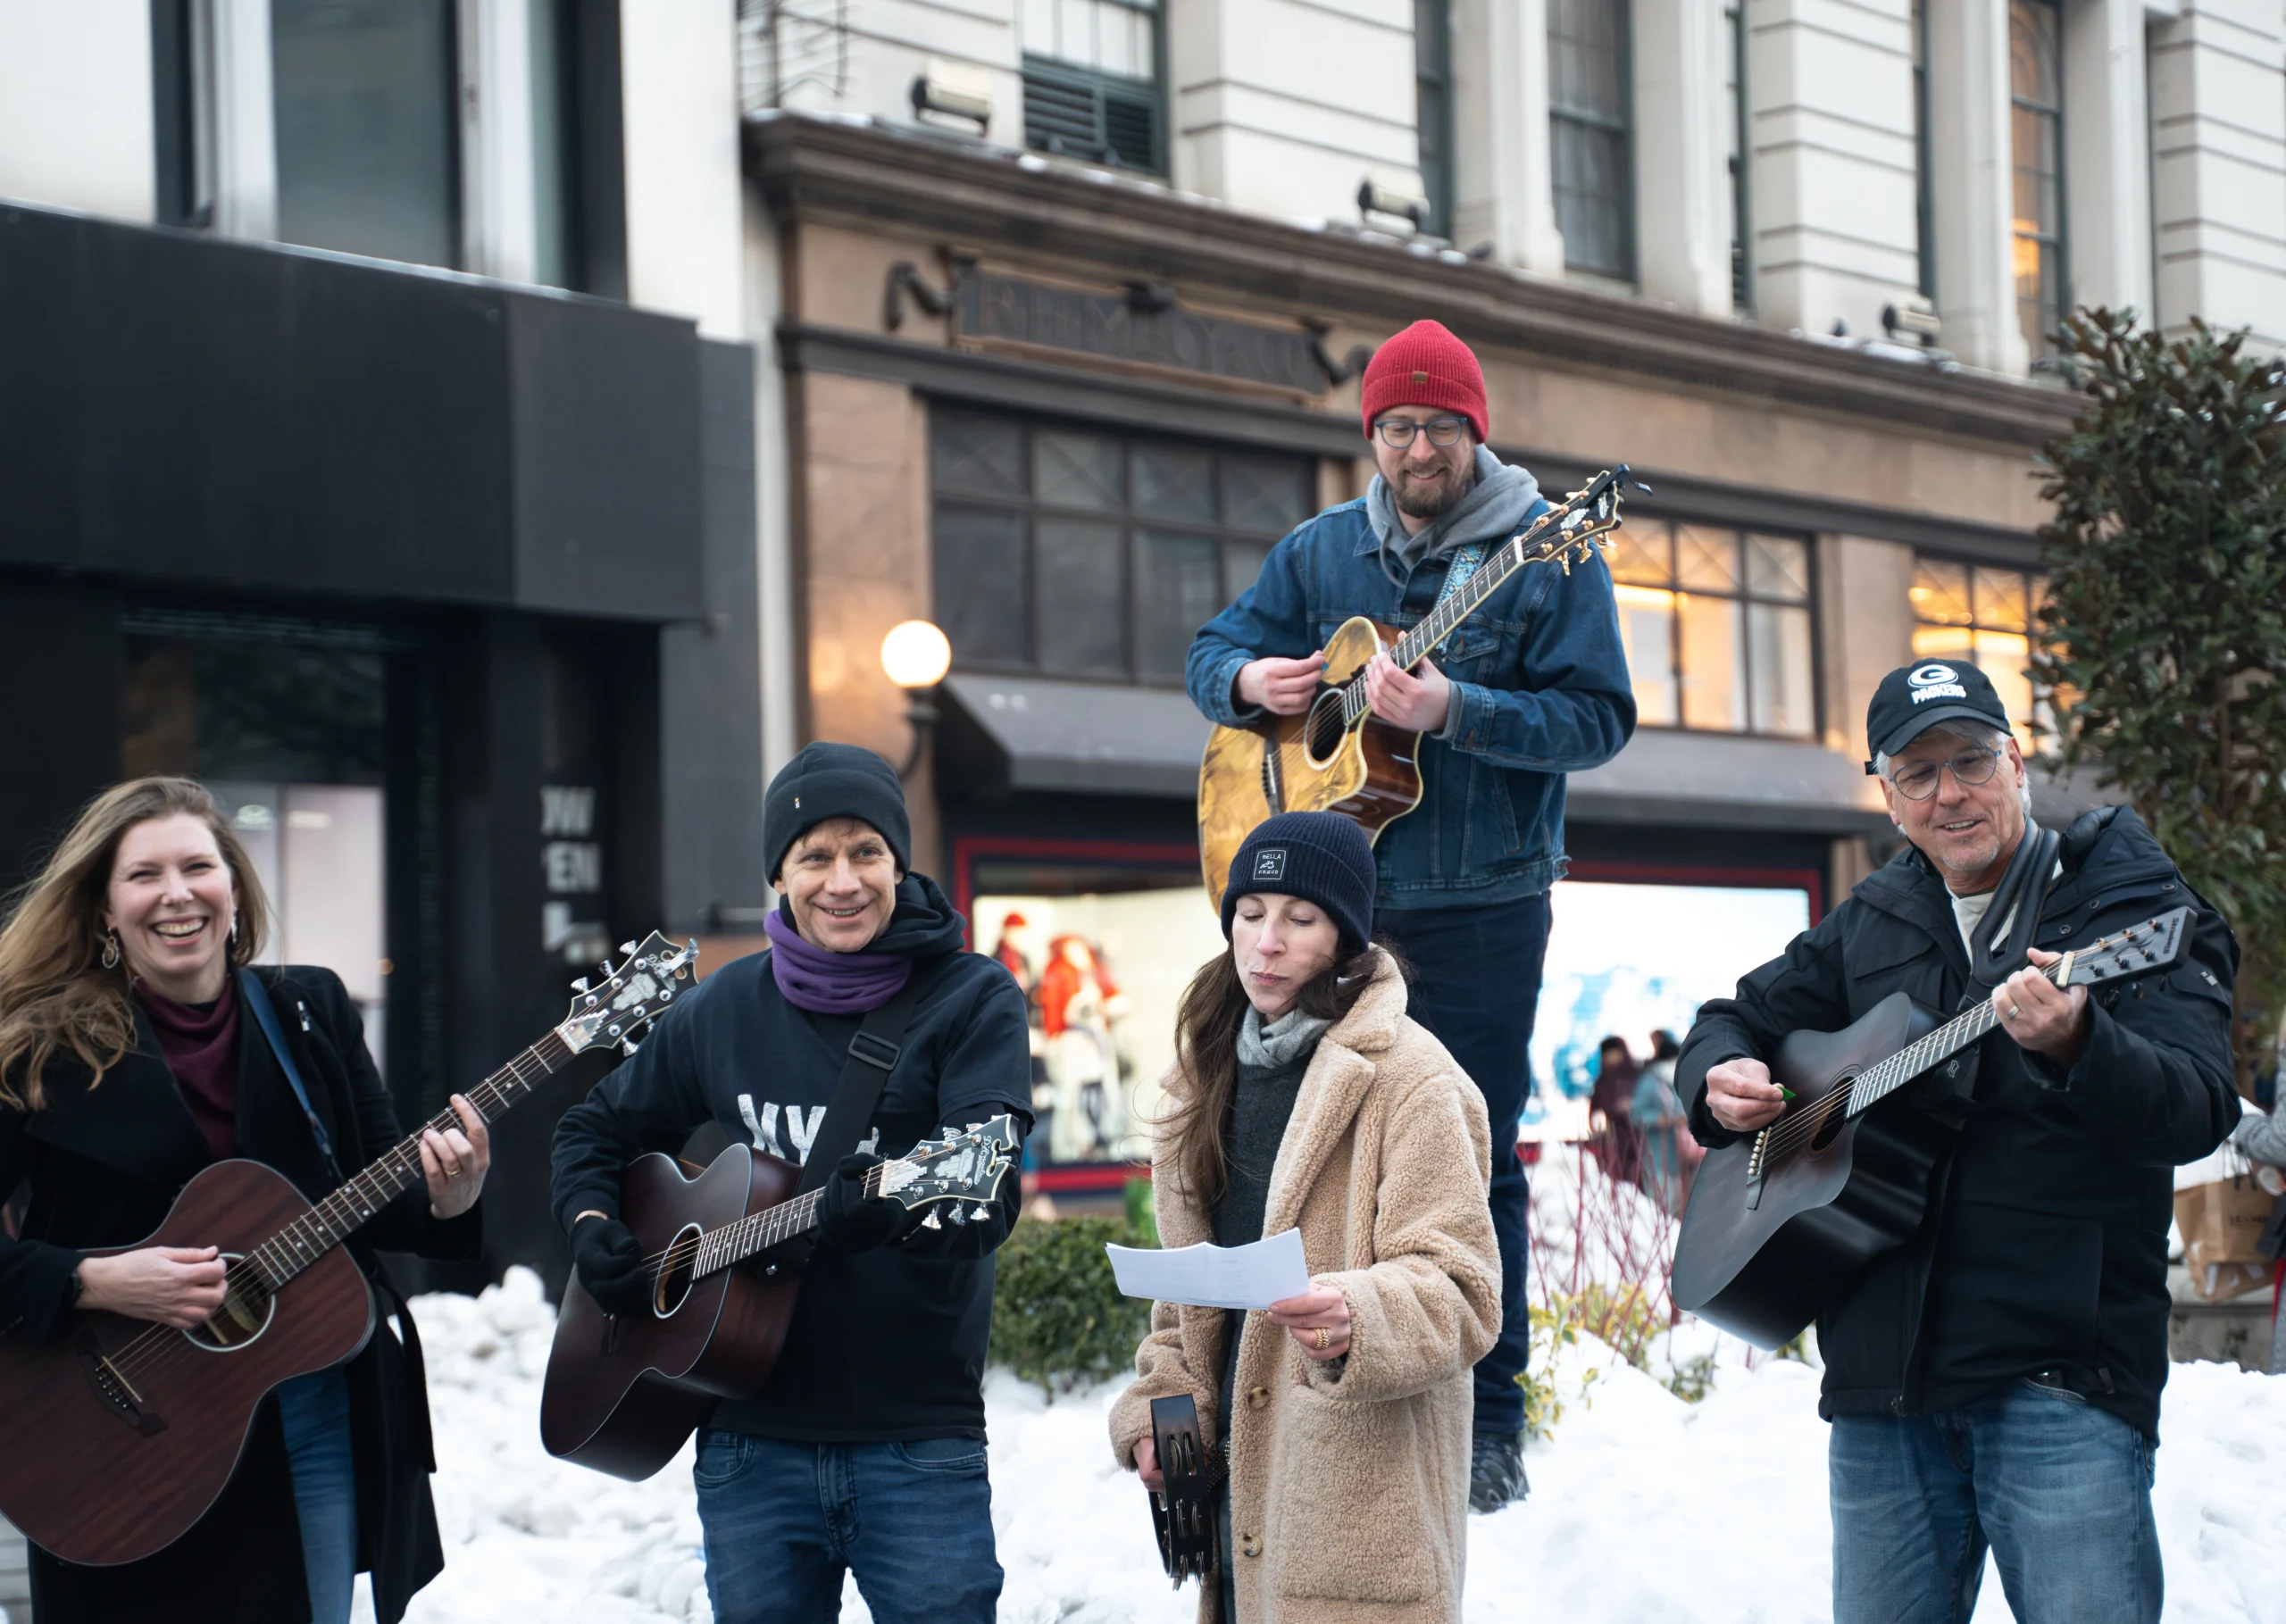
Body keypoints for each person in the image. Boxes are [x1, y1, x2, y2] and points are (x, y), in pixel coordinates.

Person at [1675, 661, 2240, 1624]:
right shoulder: (1876, 915)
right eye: (1918, 772)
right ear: (1887, 797)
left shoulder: (2125, 906)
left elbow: (2197, 1106)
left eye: (1971, 760)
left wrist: (2079, 1041)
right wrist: (1714, 1077)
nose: (1950, 792)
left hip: (2060, 1384)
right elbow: (1733, 1014)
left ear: (2017, 763)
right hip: (1879, 1399)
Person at [1185, 319, 1635, 1507]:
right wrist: (1247, 681)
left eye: (1439, 423)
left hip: (1485, 902)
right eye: (1396, 424)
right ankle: (1290, 1382)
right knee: (1292, 1147)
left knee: (1469, 1152)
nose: (1417, 444)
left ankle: (1489, 1418)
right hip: (1344, 905)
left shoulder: (1549, 550)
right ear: (1372, 433)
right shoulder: (1323, 551)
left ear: (1475, 430)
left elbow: (1600, 719)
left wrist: (1460, 708)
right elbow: (1210, 647)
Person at [550, 743, 1031, 1624]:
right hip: (744, 1438)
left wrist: (886, 1212)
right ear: (779, 873)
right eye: (815, 856)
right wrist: (591, 1222)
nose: (841, 881)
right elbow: (596, 1127)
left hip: (914, 1440)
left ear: (898, 861)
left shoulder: (969, 998)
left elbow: (984, 1197)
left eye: (865, 852)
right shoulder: (723, 1006)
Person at [0, 777, 488, 1624]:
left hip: (302, 1409)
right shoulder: (41, 1045)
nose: (178, 892)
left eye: (199, 865)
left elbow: (373, 1196)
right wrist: (94, 1279)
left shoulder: (308, 1010)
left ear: (232, 885)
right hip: (111, 1425)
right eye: (144, 874)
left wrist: (453, 1197)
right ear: (105, 910)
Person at [1113, 812, 1501, 1624]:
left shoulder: (1417, 1081)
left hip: (1354, 1527)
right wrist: (1163, 1411)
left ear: (1346, 936)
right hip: (1230, 1517)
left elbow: (1464, 1290)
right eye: (1250, 914)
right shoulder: (1199, 1079)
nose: (1267, 942)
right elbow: (1188, 1309)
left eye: (1300, 918)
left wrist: (1357, 1314)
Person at [1630, 1031, 1687, 1212]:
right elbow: (1635, 1115)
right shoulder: (1650, 1082)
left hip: (1685, 1159)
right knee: (1662, 1210)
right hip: (1657, 1157)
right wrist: (1657, 1119)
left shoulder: (1683, 1080)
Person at [1588, 1035, 1643, 1187]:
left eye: (1614, 1053)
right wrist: (1597, 1125)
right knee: (1621, 1181)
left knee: (1644, 1176)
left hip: (1642, 1134)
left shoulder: (1638, 1075)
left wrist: (1633, 1105)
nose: (1611, 1058)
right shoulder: (1602, 1080)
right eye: (1607, 1054)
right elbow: (1595, 1108)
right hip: (1615, 1137)